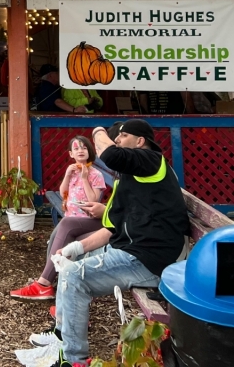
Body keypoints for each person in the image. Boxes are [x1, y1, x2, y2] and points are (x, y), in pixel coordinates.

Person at [47, 119, 189, 366]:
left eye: (122, 137)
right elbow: (110, 228)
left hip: (151, 258)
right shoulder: (129, 178)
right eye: (117, 137)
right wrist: (74, 248)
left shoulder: (152, 160)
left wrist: (97, 130)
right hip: (132, 251)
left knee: (73, 276)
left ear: (140, 141)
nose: (118, 142)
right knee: (72, 262)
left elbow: (110, 154)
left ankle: (73, 360)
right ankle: (60, 336)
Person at [9, 136, 106, 301]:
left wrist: (84, 178)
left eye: (84, 147)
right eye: (76, 148)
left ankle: (43, 284)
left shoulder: (95, 174)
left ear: (89, 151)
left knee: (65, 225)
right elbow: (63, 194)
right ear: (70, 154)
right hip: (74, 219)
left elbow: (94, 201)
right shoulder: (72, 171)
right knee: (60, 236)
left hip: (91, 220)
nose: (80, 150)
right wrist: (68, 176)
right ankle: (48, 282)